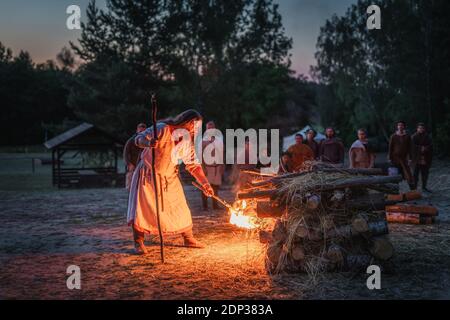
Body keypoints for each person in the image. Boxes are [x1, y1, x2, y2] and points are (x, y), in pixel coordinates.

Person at [127, 110, 214, 254]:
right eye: (194, 125)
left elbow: (193, 165)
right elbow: (139, 139)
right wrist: (148, 142)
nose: (195, 130)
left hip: (169, 177)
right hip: (148, 175)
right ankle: (138, 242)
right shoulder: (161, 128)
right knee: (142, 209)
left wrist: (205, 184)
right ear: (186, 122)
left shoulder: (186, 142)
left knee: (180, 207)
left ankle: (188, 238)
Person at [201, 121, 225, 210]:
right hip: (207, 167)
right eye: (209, 128)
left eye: (212, 128)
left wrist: (222, 165)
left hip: (217, 166)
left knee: (215, 187)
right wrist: (203, 168)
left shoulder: (219, 140)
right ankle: (205, 206)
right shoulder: (203, 141)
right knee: (205, 186)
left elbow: (222, 153)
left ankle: (215, 205)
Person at [388, 121, 415, 190]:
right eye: (399, 125)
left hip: (404, 158)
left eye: (402, 125)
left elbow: (410, 148)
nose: (400, 126)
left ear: (404, 127)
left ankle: (412, 189)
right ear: (397, 127)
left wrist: (410, 158)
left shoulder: (407, 136)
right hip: (395, 158)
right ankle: (394, 190)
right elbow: (390, 148)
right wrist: (389, 158)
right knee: (394, 174)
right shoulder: (393, 136)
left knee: (408, 173)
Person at [123, 123, 147, 190]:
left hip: (143, 164)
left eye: (143, 131)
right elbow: (126, 153)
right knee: (130, 183)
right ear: (137, 130)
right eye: (140, 131)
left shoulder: (147, 141)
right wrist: (128, 163)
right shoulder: (131, 141)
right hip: (133, 164)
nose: (141, 133)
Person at [411, 123, 433, 192]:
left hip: (425, 158)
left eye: (422, 128)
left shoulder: (427, 136)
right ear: (417, 129)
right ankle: (414, 188)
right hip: (416, 158)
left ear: (424, 129)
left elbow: (431, 145)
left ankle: (424, 187)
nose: (421, 129)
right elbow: (411, 146)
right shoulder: (414, 136)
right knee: (415, 174)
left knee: (425, 174)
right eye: (419, 128)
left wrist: (425, 148)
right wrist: (420, 148)